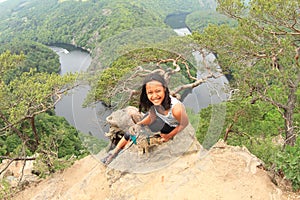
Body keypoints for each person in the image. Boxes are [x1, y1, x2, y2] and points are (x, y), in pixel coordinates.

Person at [102, 73, 189, 165]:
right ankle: (113, 153)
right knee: (131, 132)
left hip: (171, 126)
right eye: (150, 92)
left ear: (164, 89)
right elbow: (152, 117)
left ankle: (125, 151)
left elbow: (184, 123)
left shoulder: (176, 109)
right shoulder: (154, 103)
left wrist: (169, 135)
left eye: (158, 91)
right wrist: (138, 125)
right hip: (160, 120)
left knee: (143, 138)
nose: (154, 96)